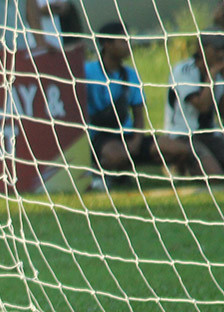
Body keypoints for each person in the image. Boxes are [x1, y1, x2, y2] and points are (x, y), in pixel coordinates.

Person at [83, 21, 190, 188]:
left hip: (128, 137)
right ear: (107, 44)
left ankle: (124, 170)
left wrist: (136, 141)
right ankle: (102, 173)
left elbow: (139, 114)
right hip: (100, 136)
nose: (128, 46)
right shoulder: (86, 71)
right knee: (115, 155)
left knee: (180, 149)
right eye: (123, 41)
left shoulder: (130, 75)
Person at [161, 31, 224, 177]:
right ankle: (180, 165)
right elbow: (202, 106)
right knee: (215, 176)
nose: (221, 53)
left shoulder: (220, 72)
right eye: (217, 49)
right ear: (201, 48)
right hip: (183, 134)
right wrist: (212, 75)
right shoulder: (184, 70)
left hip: (210, 134)